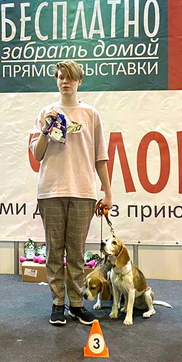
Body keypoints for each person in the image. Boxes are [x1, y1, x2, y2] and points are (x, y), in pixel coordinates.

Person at [30, 60, 112, 326]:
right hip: (51, 190)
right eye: (60, 77)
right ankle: (57, 303)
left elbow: (101, 157)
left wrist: (107, 192)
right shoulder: (46, 112)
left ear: (79, 81)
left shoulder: (91, 114)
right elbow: (37, 154)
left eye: (70, 77)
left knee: (77, 252)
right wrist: (46, 130)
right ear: (56, 81)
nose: (65, 81)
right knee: (54, 251)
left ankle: (76, 303)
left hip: (83, 191)